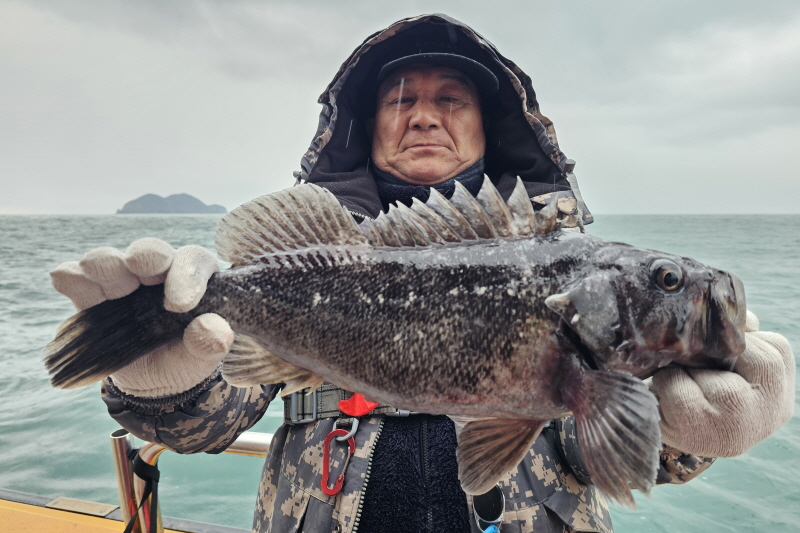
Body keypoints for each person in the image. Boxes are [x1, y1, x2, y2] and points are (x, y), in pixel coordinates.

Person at [51, 14, 794, 533]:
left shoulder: (564, 259)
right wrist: (159, 376)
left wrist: (708, 429)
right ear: (367, 125)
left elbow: (626, 454)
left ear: (486, 123)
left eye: (451, 99)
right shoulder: (311, 257)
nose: (424, 115)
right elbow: (212, 416)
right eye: (401, 99)